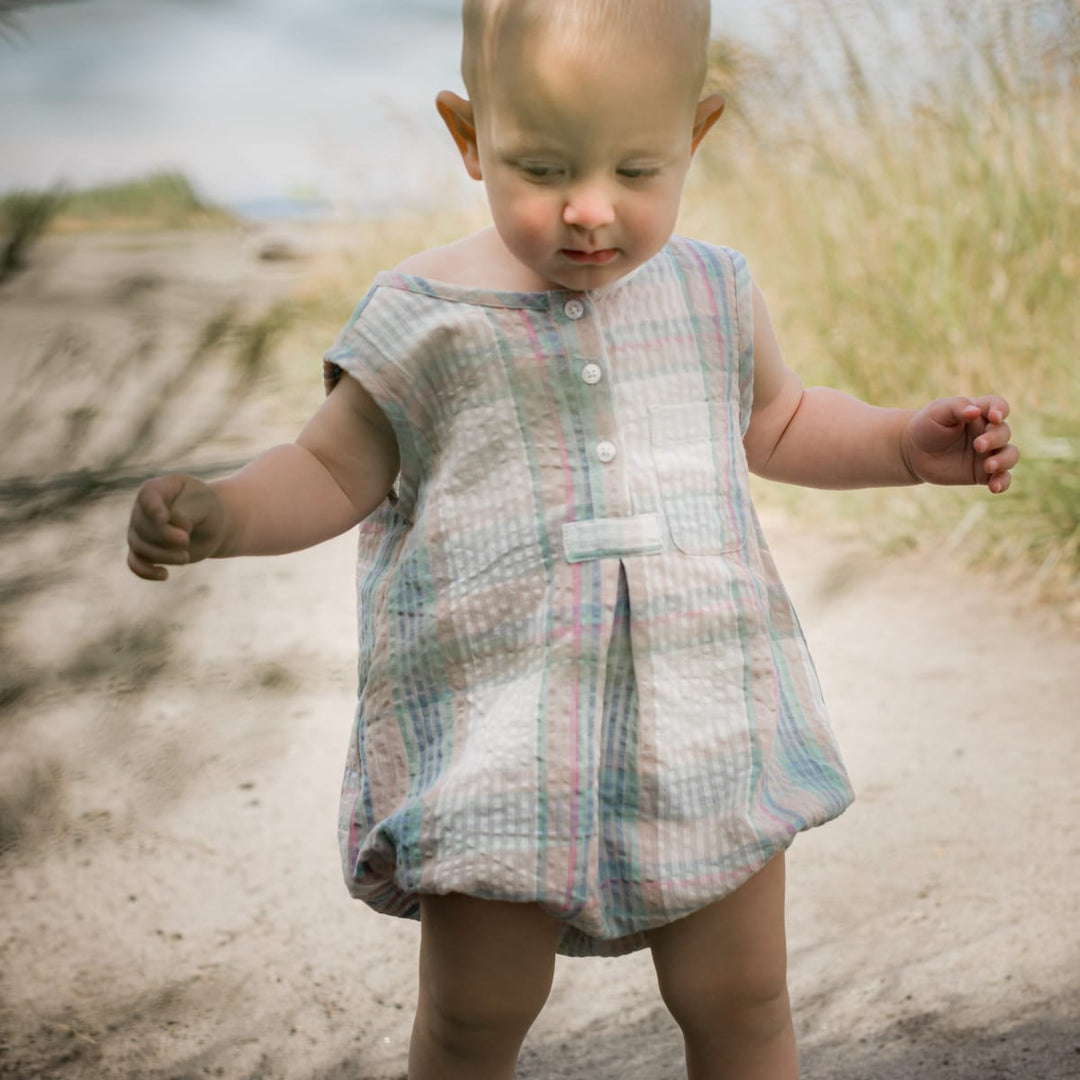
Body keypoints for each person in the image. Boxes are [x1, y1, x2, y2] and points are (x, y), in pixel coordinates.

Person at [126, 1, 1020, 1077]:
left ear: (695, 136)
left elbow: (778, 422)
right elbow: (326, 471)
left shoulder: (713, 290)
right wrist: (221, 515)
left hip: (706, 719)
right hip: (497, 736)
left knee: (742, 996)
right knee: (476, 1014)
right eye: (542, 167)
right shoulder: (421, 315)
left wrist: (902, 445)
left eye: (638, 170)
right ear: (469, 138)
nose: (591, 211)